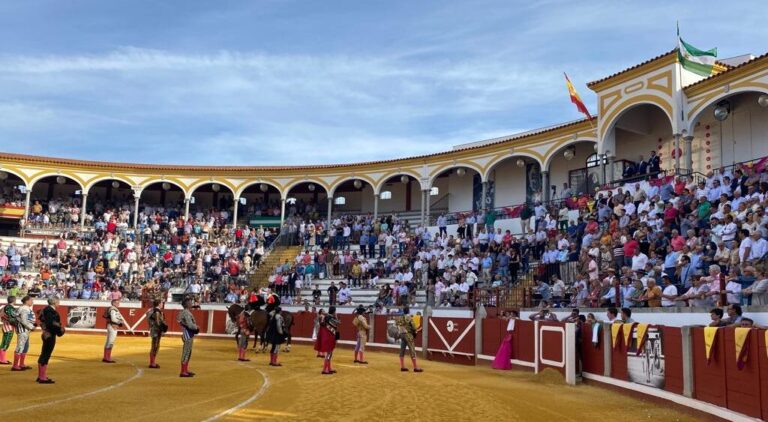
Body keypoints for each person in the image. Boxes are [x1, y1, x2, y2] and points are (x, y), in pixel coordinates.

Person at [37, 297, 64, 384]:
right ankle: (42, 377)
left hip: (46, 333)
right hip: (50, 334)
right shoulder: (51, 311)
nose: (59, 303)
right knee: (46, 354)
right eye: (58, 301)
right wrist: (60, 331)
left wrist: (44, 330)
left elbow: (41, 320)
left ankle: (41, 376)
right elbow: (51, 323)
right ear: (55, 302)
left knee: (44, 353)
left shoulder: (45, 309)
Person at [395, 306, 423, 373]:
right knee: (412, 350)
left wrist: (401, 330)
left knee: (402, 350)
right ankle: (415, 367)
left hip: (402, 335)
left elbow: (396, 324)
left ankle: (402, 367)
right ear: (408, 311)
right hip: (408, 335)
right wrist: (416, 330)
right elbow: (413, 327)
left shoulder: (400, 318)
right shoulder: (409, 317)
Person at [12, 296, 35, 371]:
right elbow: (24, 321)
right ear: (26, 301)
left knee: (25, 346)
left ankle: (21, 364)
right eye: (31, 300)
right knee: (20, 346)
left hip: (25, 329)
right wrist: (31, 327)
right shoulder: (24, 309)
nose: (32, 302)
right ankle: (15, 365)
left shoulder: (25, 308)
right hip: (23, 329)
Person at [178, 298, 199, 378]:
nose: (191, 303)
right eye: (190, 302)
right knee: (186, 352)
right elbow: (190, 325)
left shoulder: (185, 312)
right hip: (188, 334)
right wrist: (197, 327)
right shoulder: (186, 313)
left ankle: (185, 370)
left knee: (188, 352)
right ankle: (183, 371)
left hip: (188, 333)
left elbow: (179, 319)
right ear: (187, 304)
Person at [317, 306, 339, 375]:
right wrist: (336, 316)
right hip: (330, 337)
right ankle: (324, 370)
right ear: (333, 311)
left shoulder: (326, 317)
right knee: (329, 354)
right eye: (335, 311)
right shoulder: (330, 318)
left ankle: (329, 369)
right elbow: (337, 323)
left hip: (328, 336)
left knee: (330, 353)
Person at [103, 299, 126, 363]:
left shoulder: (111, 309)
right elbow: (113, 319)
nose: (119, 304)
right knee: (110, 342)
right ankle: (107, 358)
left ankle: (106, 357)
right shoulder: (113, 309)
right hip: (113, 326)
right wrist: (120, 322)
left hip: (111, 326)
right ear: (113, 303)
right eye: (117, 303)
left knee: (108, 342)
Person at [147, 299, 166, 369]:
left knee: (155, 346)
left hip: (153, 329)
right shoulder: (157, 311)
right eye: (161, 303)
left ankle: (152, 362)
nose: (162, 304)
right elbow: (158, 322)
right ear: (158, 304)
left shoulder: (151, 310)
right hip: (156, 330)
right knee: (155, 346)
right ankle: (152, 363)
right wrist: (161, 330)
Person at [0, 296, 17, 365]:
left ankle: (2, 359)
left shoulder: (5, 307)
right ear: (14, 301)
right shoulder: (10, 308)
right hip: (8, 327)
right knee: (5, 343)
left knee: (4, 342)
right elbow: (11, 319)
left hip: (6, 326)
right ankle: (2, 359)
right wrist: (17, 324)